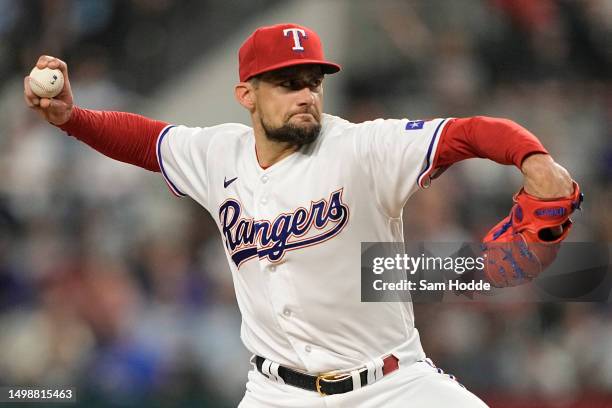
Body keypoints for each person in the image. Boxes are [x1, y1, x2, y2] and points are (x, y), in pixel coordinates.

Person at [24, 23, 576, 407]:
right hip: (277, 395)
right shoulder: (219, 154)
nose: (306, 94)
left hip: (391, 387)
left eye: (312, 81)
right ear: (247, 93)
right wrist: (74, 117)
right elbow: (148, 142)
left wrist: (533, 158)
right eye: (288, 83)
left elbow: (465, 133)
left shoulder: (363, 148)